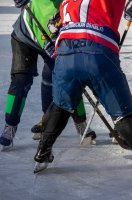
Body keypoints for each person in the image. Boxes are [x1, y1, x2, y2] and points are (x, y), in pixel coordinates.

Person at [33, 0, 132, 178]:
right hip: (99, 50)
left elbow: (54, 24)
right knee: (123, 113)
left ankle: (42, 152)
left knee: (60, 106)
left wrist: (54, 30)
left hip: (66, 55)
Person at [0, 0, 96, 151]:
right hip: (26, 34)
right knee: (21, 81)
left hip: (55, 36)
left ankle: (80, 123)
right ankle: (10, 126)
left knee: (69, 79)